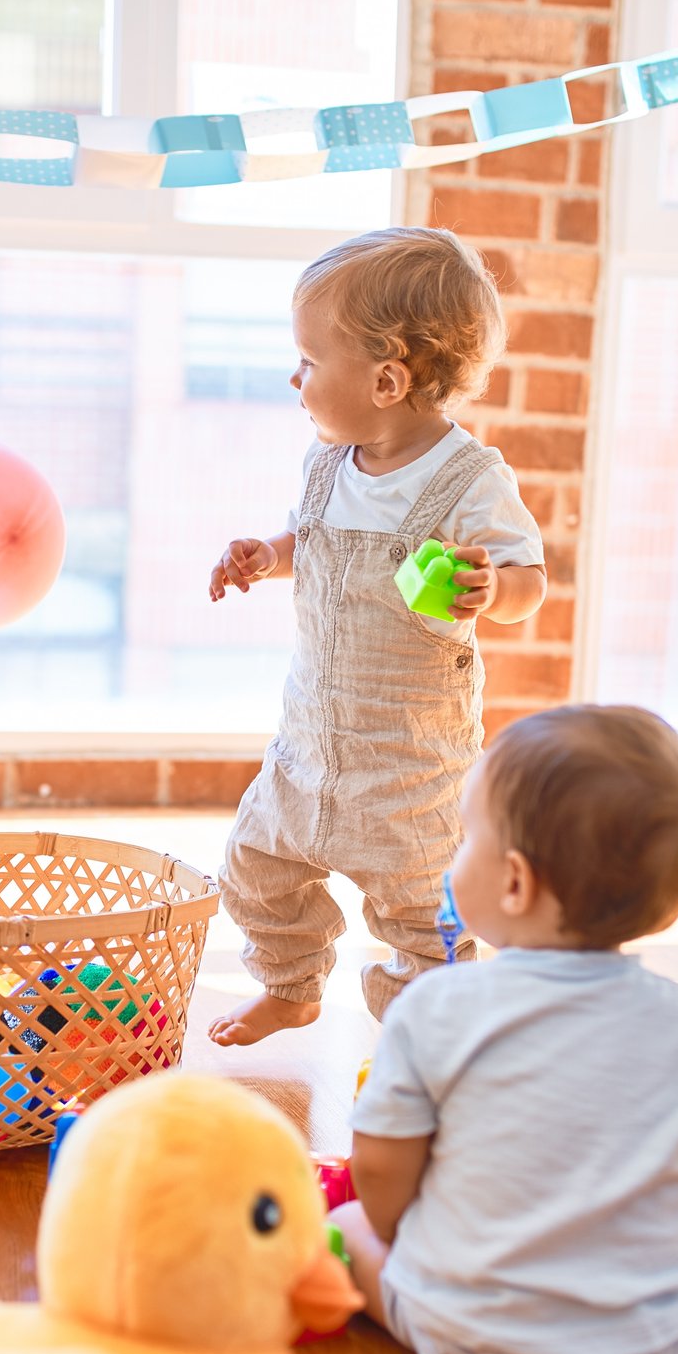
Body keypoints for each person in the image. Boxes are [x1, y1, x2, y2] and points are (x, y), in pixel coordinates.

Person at [332, 705, 678, 1354]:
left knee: (350, 1225)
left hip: (459, 1333)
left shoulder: (434, 1008)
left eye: (464, 839)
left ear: (514, 882)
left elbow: (382, 1169)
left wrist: (404, 1238)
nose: (454, 860)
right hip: (653, 1347)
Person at [203, 227, 546, 1045]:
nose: (297, 378)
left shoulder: (470, 481)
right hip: (309, 747)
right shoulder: (329, 464)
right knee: (254, 869)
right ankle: (290, 987)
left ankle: (428, 1029)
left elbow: (527, 583)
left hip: (410, 767)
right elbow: (311, 540)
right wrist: (269, 555)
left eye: (311, 362)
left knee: (426, 914)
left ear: (388, 379)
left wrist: (493, 587)